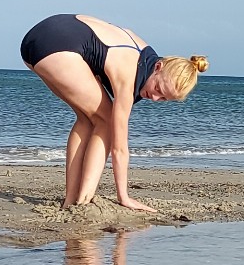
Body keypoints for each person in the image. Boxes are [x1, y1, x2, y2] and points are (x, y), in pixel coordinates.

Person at [18, 13, 207, 210]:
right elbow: (119, 148)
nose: (155, 98)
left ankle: (72, 200)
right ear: (158, 67)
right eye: (158, 89)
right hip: (57, 45)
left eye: (164, 99)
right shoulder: (129, 74)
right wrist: (123, 196)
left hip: (39, 39)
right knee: (106, 120)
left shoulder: (147, 57)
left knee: (87, 118)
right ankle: (83, 200)